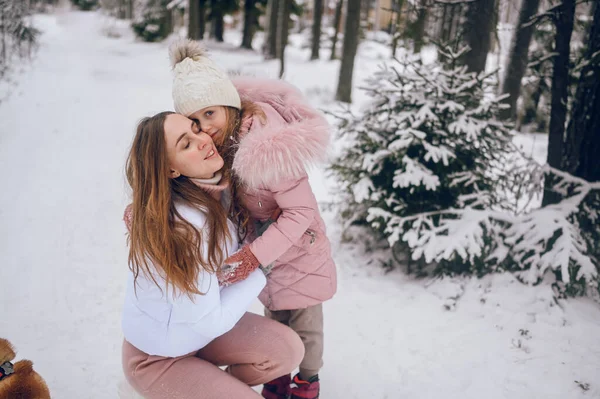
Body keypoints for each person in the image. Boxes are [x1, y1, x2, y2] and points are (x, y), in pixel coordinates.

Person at [169, 39, 337, 399]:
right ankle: (278, 372)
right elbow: (209, 185)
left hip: (299, 251)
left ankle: (307, 380)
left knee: (306, 325)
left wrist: (252, 256)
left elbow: (300, 210)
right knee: (275, 314)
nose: (204, 127)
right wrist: (156, 207)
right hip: (268, 249)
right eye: (195, 121)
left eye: (209, 114)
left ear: (228, 103)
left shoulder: (265, 145)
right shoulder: (225, 141)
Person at [121, 111, 304, 399]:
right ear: (170, 170)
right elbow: (208, 320)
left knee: (288, 350)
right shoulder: (181, 231)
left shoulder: (219, 188)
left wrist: (267, 231)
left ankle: (212, 383)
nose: (203, 140)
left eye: (196, 129)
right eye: (186, 144)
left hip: (199, 336)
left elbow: (221, 271)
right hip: (159, 358)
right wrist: (259, 267)